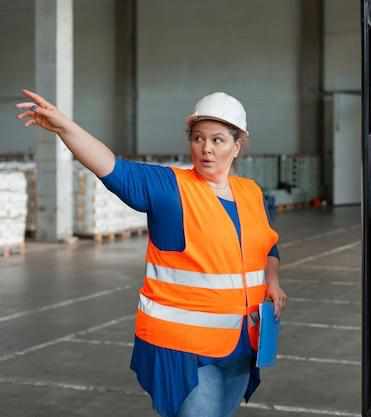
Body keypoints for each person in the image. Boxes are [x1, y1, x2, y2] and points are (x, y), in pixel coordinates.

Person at [16, 90, 287, 417]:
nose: (206, 148)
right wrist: (64, 127)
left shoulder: (250, 192)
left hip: (243, 344)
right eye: (199, 138)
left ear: (237, 145)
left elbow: (267, 245)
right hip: (187, 350)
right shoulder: (169, 188)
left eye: (218, 140)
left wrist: (272, 281)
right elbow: (113, 167)